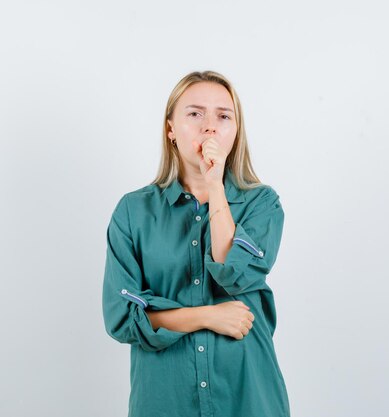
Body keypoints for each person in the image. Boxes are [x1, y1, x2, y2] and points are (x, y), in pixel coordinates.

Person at [102, 70, 290, 417]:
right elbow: (122, 317)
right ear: (170, 129)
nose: (210, 127)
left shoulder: (262, 204)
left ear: (236, 131)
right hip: (164, 401)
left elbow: (232, 273)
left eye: (223, 116)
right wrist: (209, 316)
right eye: (194, 113)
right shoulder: (133, 211)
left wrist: (215, 185)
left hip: (248, 398)